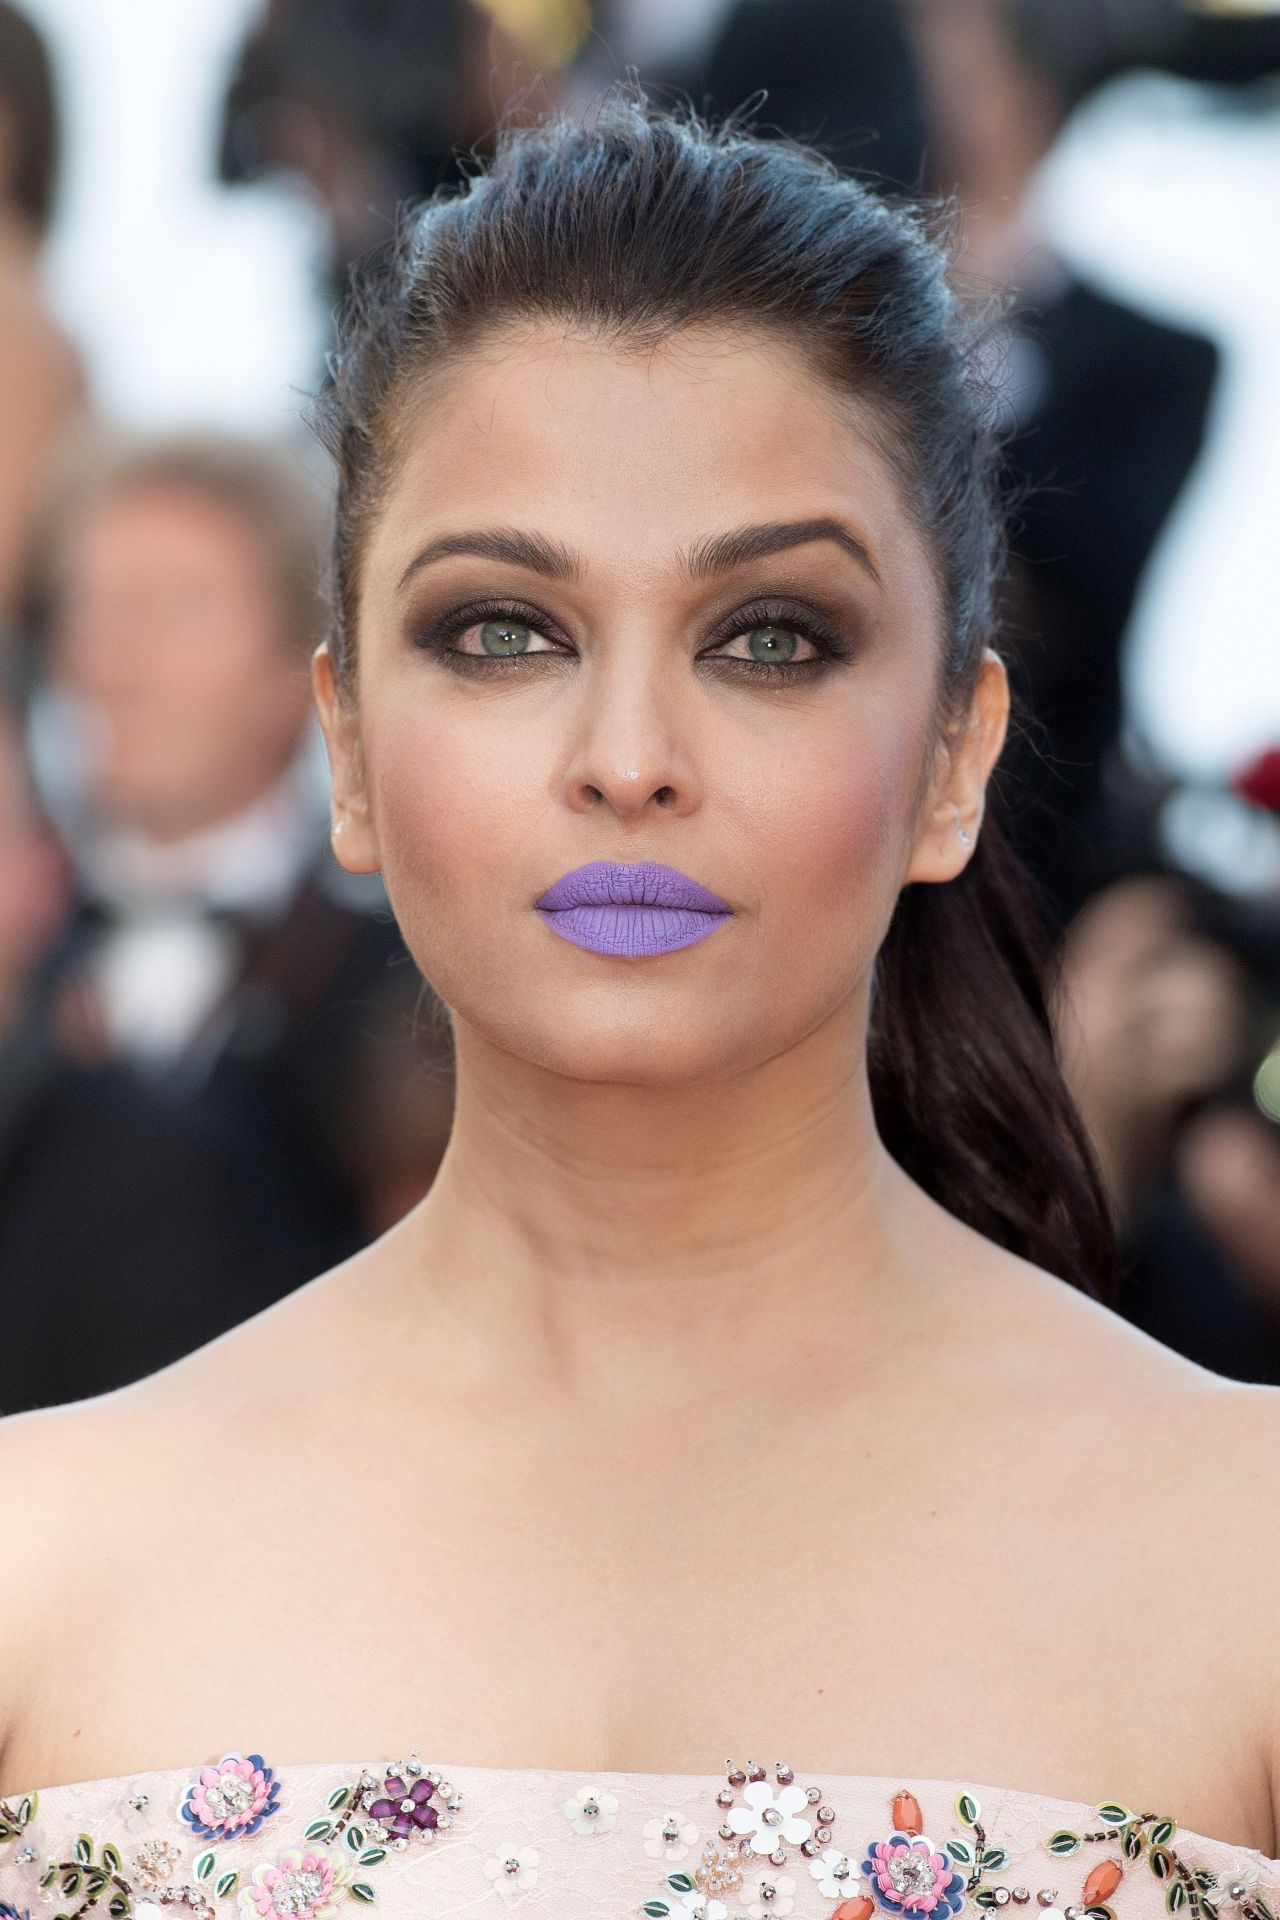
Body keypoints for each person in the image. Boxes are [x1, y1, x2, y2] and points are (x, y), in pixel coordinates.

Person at [2, 86, 1279, 1920]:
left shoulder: (1251, 1559)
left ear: (952, 759)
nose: (627, 760)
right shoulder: (33, 1573)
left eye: (772, 637)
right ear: (347, 744)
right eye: (503, 632)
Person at [0, 433, 454, 1411]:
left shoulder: (408, 982)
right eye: (92, 608)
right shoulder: (16, 950)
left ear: (303, 672)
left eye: (173, 610)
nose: (111, 661)